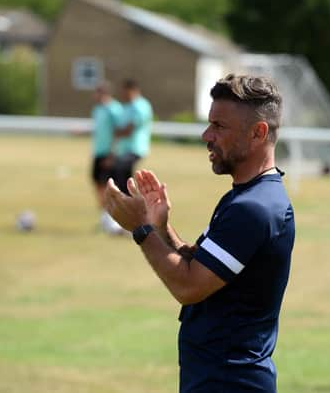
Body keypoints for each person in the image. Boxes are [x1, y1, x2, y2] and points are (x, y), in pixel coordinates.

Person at [104, 74, 295, 392]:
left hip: (231, 382)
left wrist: (140, 228)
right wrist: (162, 227)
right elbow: (200, 267)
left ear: (258, 132)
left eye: (219, 126)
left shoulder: (255, 207)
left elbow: (188, 286)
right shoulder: (245, 197)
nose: (207, 135)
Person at [89, 82, 124, 233]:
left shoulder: (114, 109)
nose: (93, 96)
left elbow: (118, 133)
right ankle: (105, 217)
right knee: (97, 184)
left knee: (109, 187)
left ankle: (114, 220)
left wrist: (112, 154)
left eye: (96, 93)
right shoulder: (97, 109)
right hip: (98, 152)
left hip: (109, 154)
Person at [114, 79, 153, 194]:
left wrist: (118, 132)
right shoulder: (128, 106)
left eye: (125, 91)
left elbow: (128, 130)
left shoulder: (140, 106)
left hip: (135, 148)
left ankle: (132, 203)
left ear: (133, 90)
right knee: (121, 177)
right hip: (125, 149)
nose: (123, 94)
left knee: (123, 174)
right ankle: (127, 202)